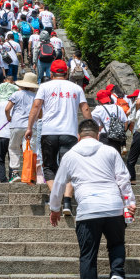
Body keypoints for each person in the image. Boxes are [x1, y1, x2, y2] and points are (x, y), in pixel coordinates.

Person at [49, 119, 136, 279]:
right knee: (117, 244)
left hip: (88, 209)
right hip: (113, 206)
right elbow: (123, 179)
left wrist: (55, 208)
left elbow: (59, 184)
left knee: (88, 255)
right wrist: (130, 204)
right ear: (98, 135)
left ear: (79, 137)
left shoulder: (70, 155)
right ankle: (117, 271)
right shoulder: (110, 151)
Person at [25, 59, 92, 216]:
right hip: (69, 133)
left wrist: (29, 127)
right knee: (69, 168)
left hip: (49, 132)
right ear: (67, 72)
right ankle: (68, 201)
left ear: (51, 73)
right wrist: (89, 133)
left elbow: (36, 107)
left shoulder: (45, 87)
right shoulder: (76, 88)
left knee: (49, 166)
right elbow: (86, 109)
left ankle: (57, 198)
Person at [6, 72, 39, 183]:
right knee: (28, 149)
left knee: (14, 148)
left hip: (16, 124)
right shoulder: (36, 97)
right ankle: (28, 174)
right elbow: (40, 114)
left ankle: (15, 173)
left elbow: (7, 109)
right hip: (31, 126)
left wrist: (9, 118)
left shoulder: (16, 94)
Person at [92, 89, 128, 154]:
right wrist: (121, 131)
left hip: (105, 136)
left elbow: (91, 119)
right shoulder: (118, 108)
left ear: (100, 101)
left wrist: (100, 126)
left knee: (104, 157)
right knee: (116, 156)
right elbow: (125, 122)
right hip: (117, 136)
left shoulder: (99, 109)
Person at [125, 89, 140, 184]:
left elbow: (128, 113)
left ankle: (132, 179)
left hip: (139, 133)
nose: (132, 100)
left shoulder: (137, 104)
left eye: (133, 98)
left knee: (130, 160)